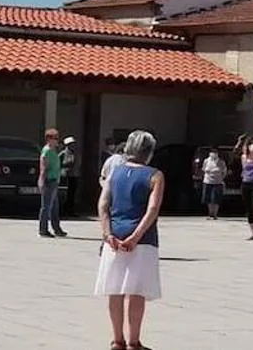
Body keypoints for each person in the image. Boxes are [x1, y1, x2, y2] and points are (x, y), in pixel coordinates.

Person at [95, 130, 165, 350]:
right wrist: (136, 237)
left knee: (115, 289)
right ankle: (134, 341)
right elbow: (152, 209)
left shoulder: (114, 172)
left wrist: (107, 234)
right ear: (149, 152)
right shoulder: (155, 175)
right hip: (142, 240)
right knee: (136, 291)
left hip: (114, 236)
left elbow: (103, 204)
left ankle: (117, 340)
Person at [37, 129, 67, 239]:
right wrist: (41, 180)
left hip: (55, 181)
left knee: (54, 207)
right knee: (46, 206)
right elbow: (43, 167)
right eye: (55, 138)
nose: (57, 140)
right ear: (49, 139)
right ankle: (43, 230)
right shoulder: (47, 151)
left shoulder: (53, 150)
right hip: (49, 181)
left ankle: (57, 229)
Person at [200, 148, 226, 220]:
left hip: (217, 182)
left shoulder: (221, 162)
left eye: (215, 152)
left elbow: (224, 171)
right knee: (208, 198)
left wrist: (221, 178)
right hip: (207, 181)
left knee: (215, 199)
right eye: (212, 152)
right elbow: (203, 169)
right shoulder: (206, 161)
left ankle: (215, 214)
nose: (213, 154)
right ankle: (210, 213)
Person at [60, 136, 79, 216]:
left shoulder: (74, 153)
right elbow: (59, 163)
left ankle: (71, 211)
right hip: (66, 176)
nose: (73, 146)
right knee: (66, 194)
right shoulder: (63, 153)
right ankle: (64, 211)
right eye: (71, 144)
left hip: (74, 175)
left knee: (72, 194)